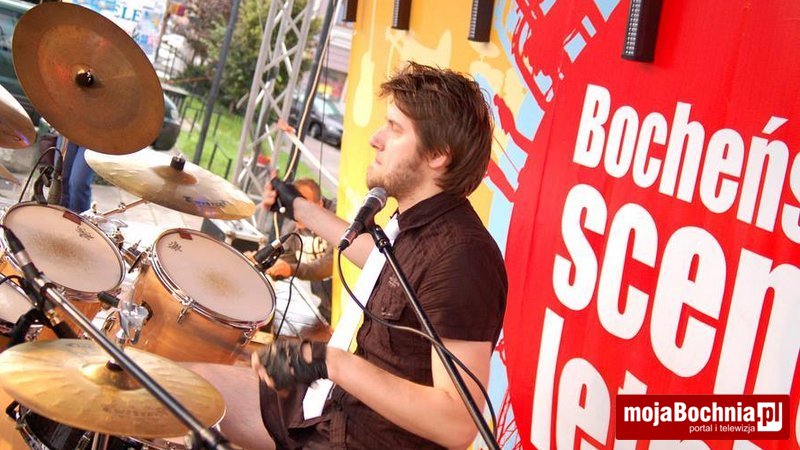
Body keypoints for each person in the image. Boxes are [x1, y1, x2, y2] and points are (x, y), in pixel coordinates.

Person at [254, 62, 507, 449]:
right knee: (191, 387)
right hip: (332, 416)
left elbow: (457, 423)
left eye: (395, 128)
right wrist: (296, 207)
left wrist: (329, 362)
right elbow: (376, 261)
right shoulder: (418, 226)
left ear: (438, 154)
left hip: (357, 439)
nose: (376, 139)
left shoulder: (464, 258)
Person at [266, 177, 334, 333]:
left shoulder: (336, 217)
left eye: (302, 207)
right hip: (326, 309)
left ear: (320, 204)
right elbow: (284, 259)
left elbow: (330, 265)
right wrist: (268, 264)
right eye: (294, 207)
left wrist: (290, 269)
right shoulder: (293, 228)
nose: (296, 214)